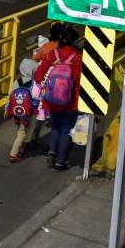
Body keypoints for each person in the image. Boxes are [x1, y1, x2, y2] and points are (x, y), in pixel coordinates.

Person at [33, 25, 83, 170]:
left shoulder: (52, 54)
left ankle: (51, 152)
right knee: (66, 130)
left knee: (56, 126)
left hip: (52, 99)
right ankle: (60, 161)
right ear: (74, 42)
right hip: (70, 101)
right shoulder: (78, 58)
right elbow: (80, 82)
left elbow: (38, 76)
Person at [5, 58, 38, 162]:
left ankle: (27, 141)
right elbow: (36, 98)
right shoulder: (34, 83)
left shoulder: (17, 82)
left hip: (17, 112)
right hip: (29, 113)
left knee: (22, 129)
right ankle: (14, 154)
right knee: (22, 133)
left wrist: (6, 109)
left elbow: (10, 97)